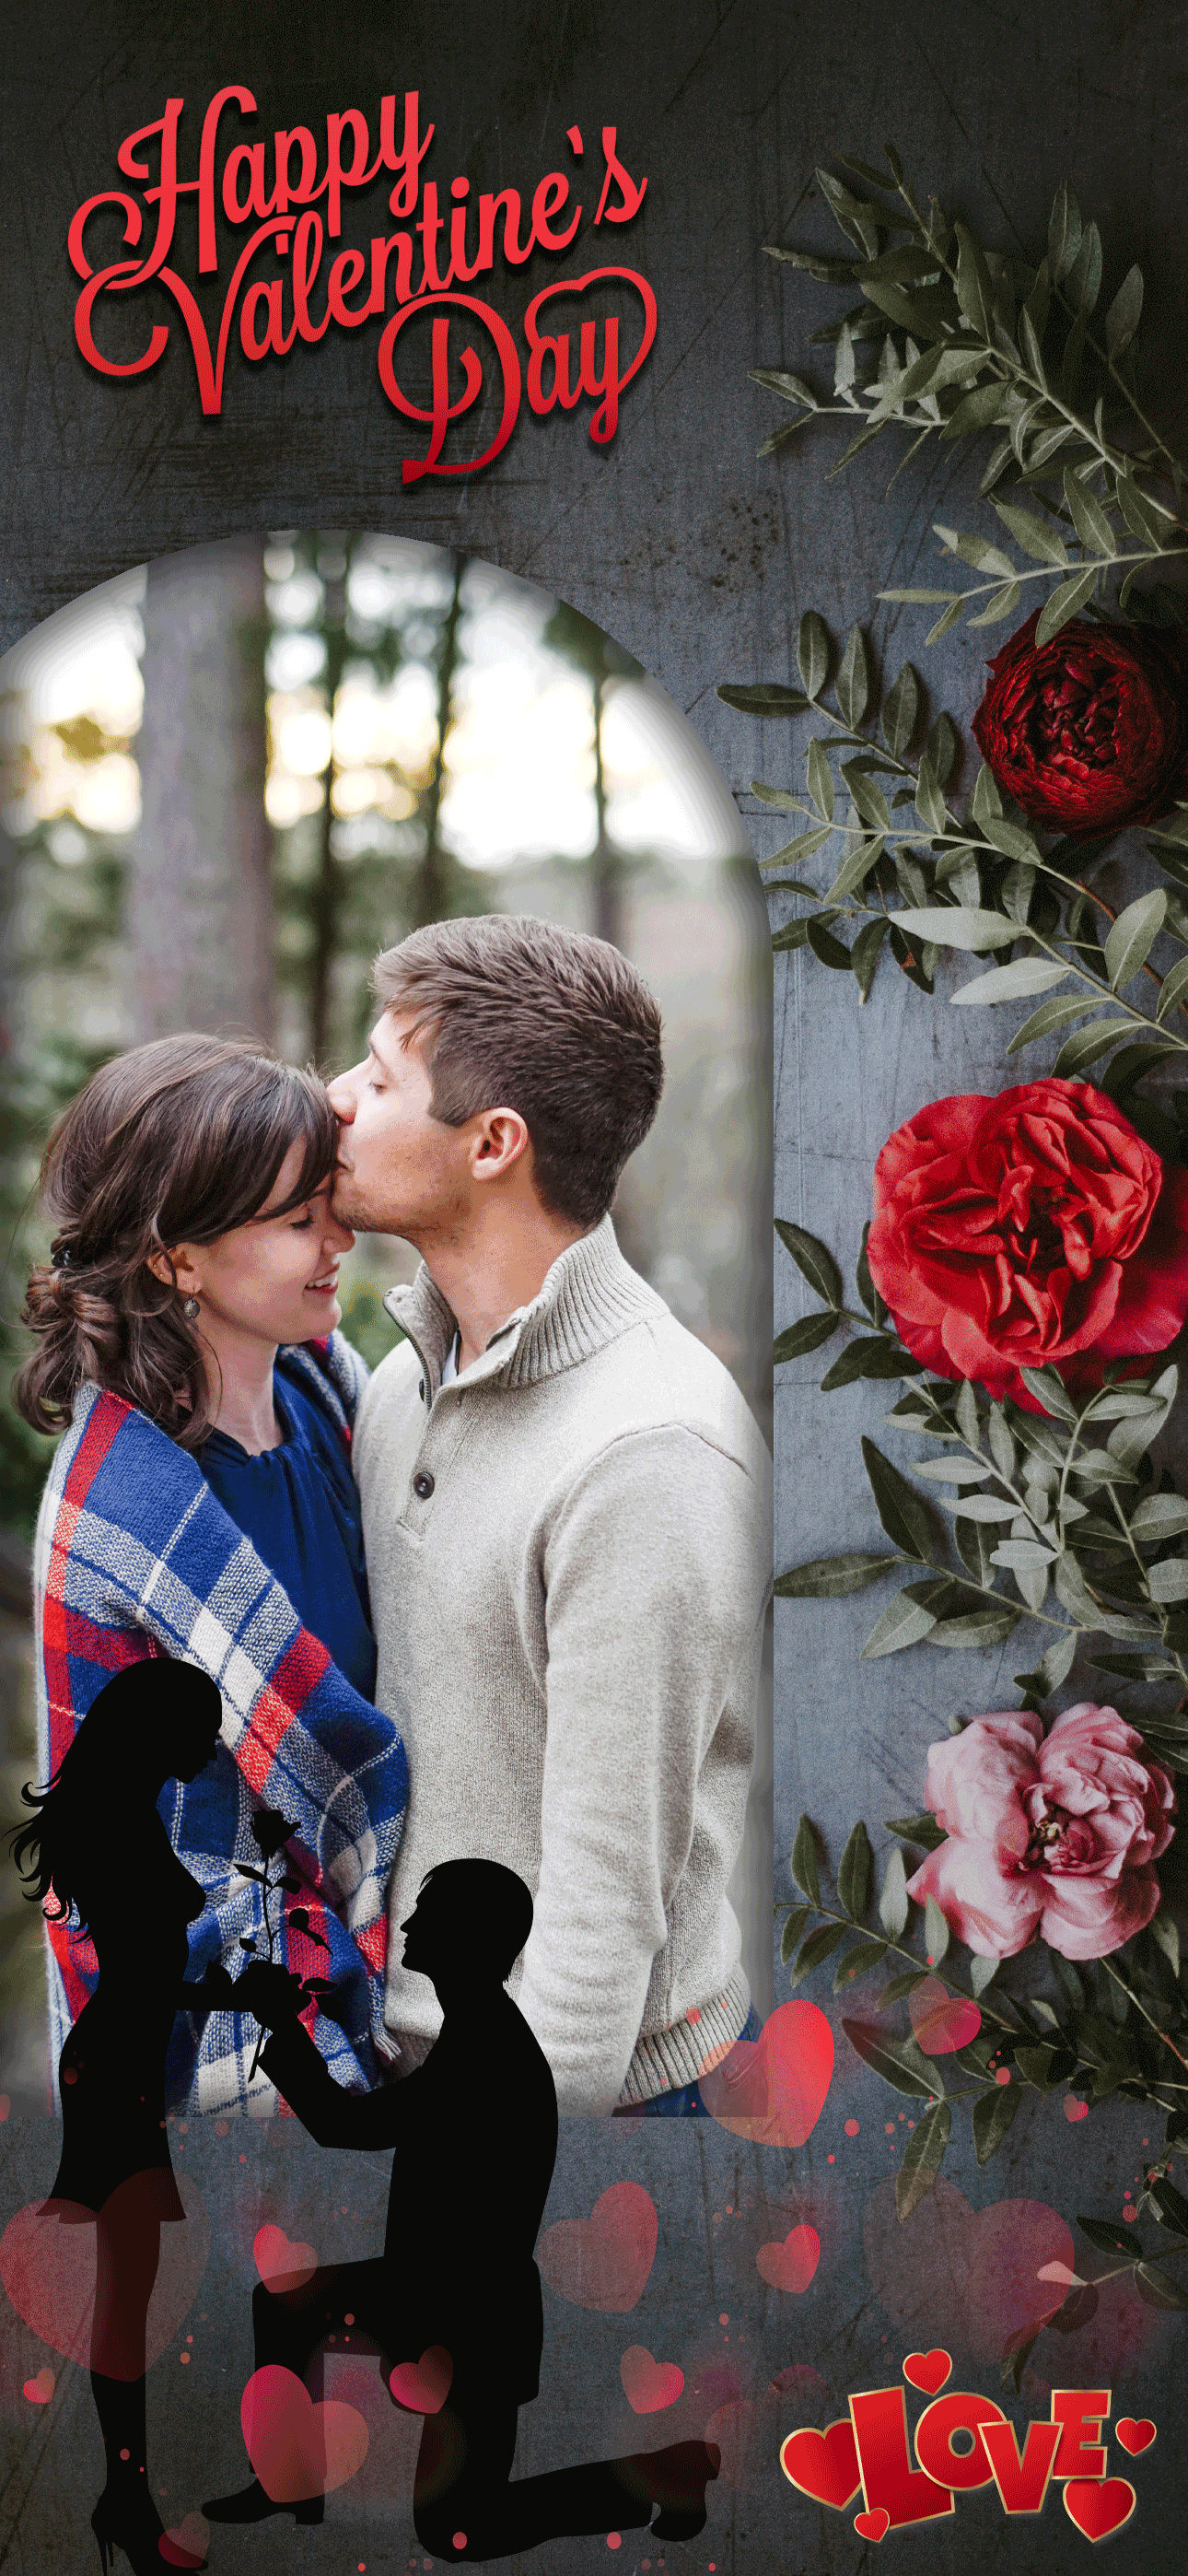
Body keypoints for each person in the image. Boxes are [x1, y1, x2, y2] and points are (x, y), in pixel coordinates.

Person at [328, 914, 773, 2117]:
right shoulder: (395, 1383)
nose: (335, 1101)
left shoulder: (645, 1454)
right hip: (405, 2054)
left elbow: (600, 1924)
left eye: (377, 1079)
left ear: (491, 1144)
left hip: (578, 2103)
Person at [14, 1035, 408, 2118]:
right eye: (297, 1223)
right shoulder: (124, 1509)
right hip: (234, 2030)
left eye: (331, 1205)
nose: (339, 1242)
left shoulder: (335, 1402)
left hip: (391, 1958)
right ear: (176, 1258)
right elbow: (115, 1877)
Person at [203, 1859, 720, 2556]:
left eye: (430, 1914)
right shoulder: (477, 2034)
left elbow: (344, 2127)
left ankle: (666, 2473)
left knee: (457, 2528)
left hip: (472, 2325)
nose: (411, 1925)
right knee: (286, 2306)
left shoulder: (485, 2053)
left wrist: (285, 2027)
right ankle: (288, 2483)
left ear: (470, 1938)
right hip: (434, 2297)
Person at [8, 1658, 225, 2575]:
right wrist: (232, 1993)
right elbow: (145, 1974)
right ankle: (125, 2502)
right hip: (117, 2073)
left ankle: (124, 2494)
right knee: (121, 2295)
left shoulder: (121, 1813)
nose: (210, 1748)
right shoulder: (117, 1823)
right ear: (158, 1730)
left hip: (122, 2062)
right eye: (200, 1729)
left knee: (120, 2287)